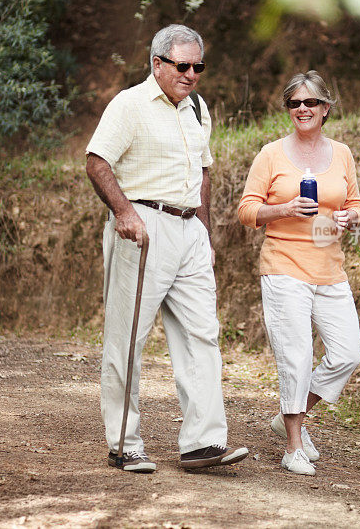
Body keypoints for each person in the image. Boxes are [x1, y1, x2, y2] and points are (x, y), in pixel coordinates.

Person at [85, 24, 248, 473]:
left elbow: (205, 171)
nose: (192, 74)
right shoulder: (130, 104)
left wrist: (205, 233)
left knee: (202, 335)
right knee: (129, 337)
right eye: (183, 65)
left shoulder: (197, 107)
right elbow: (97, 161)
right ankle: (124, 443)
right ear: (157, 63)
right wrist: (124, 212)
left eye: (199, 66)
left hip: (190, 227)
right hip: (143, 225)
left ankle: (203, 443)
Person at [237, 70, 360, 476]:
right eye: (295, 103)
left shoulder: (342, 153)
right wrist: (285, 209)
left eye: (311, 102)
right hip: (284, 265)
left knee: (347, 353)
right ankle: (293, 445)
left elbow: (358, 203)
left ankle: (289, 415)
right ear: (288, 110)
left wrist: (351, 216)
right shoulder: (271, 154)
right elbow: (246, 210)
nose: (303, 109)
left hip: (330, 267)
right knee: (297, 355)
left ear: (326, 108)